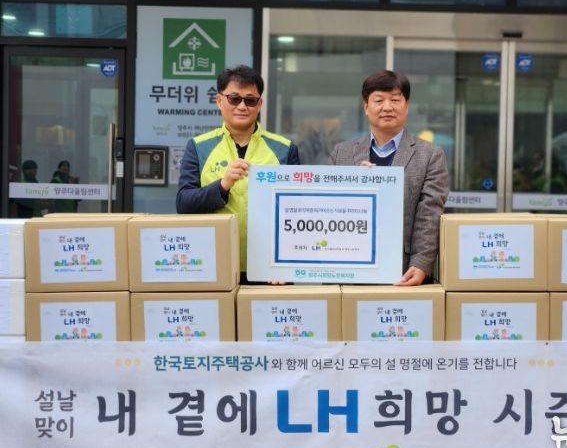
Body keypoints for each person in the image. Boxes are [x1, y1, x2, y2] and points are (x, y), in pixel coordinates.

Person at [329, 70, 449, 286]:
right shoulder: (341, 153)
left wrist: (421, 263)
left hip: (404, 271)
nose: (387, 107)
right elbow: (326, 207)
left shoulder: (430, 155)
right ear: (366, 107)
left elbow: (429, 215)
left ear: (406, 106)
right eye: (378, 100)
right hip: (348, 268)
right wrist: (353, 187)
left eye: (395, 100)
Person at [176, 65, 300, 276]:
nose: (242, 106)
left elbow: (296, 212)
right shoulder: (198, 147)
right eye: (234, 99)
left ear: (259, 104)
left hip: (269, 268)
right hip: (212, 264)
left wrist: (285, 266)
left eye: (250, 100)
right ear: (219, 100)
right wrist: (222, 186)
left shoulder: (284, 149)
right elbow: (184, 204)